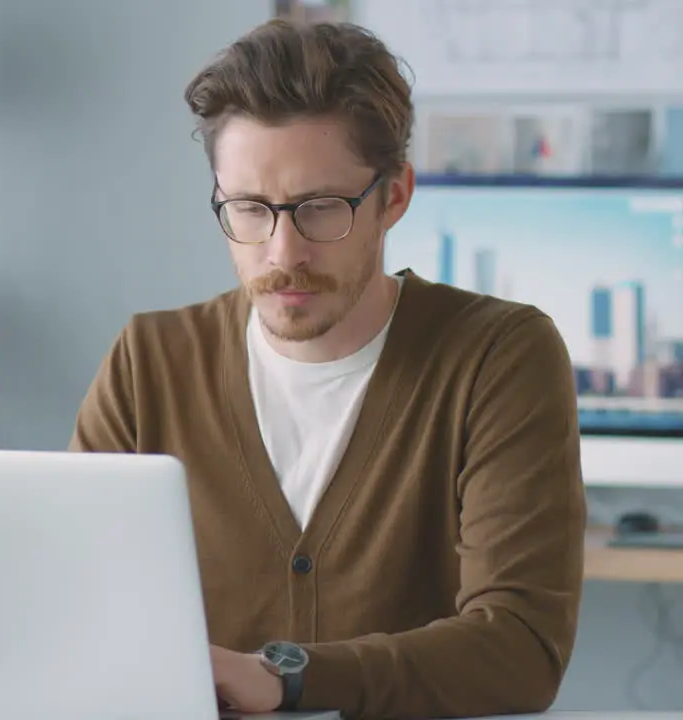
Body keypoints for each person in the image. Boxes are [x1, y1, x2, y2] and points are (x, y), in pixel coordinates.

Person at [69, 19, 586, 720]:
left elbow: (522, 651)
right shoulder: (150, 362)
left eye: (320, 209)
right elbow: (74, 610)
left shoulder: (498, 356)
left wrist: (288, 678)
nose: (283, 251)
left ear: (394, 197)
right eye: (249, 209)